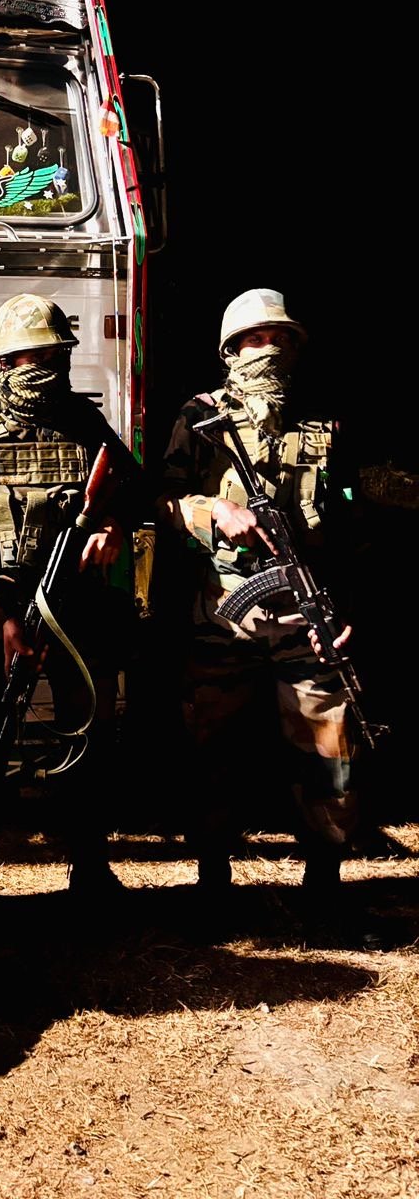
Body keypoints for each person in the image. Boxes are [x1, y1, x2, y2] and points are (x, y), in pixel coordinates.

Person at [158, 288, 366, 934]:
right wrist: (213, 511)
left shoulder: (324, 426)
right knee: (212, 753)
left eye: (280, 340)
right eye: (255, 339)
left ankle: (325, 888)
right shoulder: (199, 417)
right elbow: (161, 501)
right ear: (231, 350)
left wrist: (348, 610)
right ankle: (212, 885)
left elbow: (353, 526)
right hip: (223, 614)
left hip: (308, 620)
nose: (268, 350)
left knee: (332, 754)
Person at [0, 292, 142, 920]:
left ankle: (90, 868)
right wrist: (6, 614)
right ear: (4, 362)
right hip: (6, 604)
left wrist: (113, 526)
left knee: (90, 736)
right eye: (30, 356)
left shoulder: (86, 424)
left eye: (53, 356)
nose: (43, 367)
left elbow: (133, 490)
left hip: (80, 604)